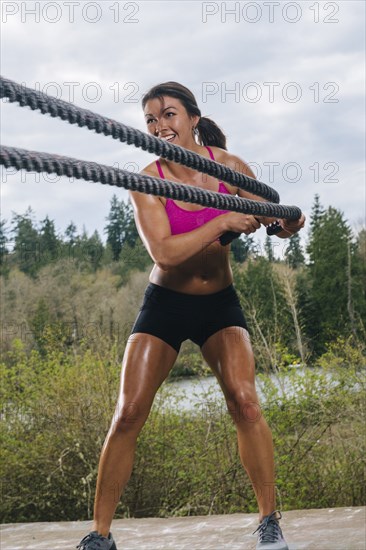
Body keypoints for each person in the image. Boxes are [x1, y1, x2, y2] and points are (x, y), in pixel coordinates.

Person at [77, 82, 305, 550]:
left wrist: (287, 224)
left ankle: (269, 522)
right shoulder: (146, 180)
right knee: (128, 412)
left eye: (169, 114)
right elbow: (164, 253)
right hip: (166, 305)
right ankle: (99, 535)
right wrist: (220, 221)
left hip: (220, 304)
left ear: (194, 119)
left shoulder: (231, 167)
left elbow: (270, 219)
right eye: (151, 120)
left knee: (245, 401)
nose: (160, 126)